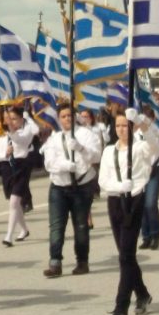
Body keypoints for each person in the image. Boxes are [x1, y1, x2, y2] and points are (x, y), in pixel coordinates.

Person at [98, 109, 159, 315]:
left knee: (126, 256)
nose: (121, 130)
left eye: (125, 125)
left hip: (133, 201)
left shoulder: (141, 148)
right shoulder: (108, 151)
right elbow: (103, 180)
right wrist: (117, 186)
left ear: (132, 127)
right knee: (125, 255)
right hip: (115, 200)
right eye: (118, 126)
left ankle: (121, 308)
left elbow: (155, 144)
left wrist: (142, 122)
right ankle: (142, 293)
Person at [42, 103, 102, 278]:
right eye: (63, 116)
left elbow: (97, 155)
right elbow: (49, 163)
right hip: (59, 186)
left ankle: (82, 261)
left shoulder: (86, 134)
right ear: (59, 119)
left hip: (82, 185)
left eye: (69, 115)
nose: (67, 119)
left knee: (81, 225)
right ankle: (55, 262)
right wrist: (65, 165)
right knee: (56, 226)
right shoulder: (54, 137)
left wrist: (81, 149)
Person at [0, 106, 39, 246]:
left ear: (21, 120)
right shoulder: (3, 135)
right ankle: (24, 229)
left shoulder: (26, 132)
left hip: (21, 166)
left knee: (14, 201)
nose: (11, 122)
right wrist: (6, 153)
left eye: (14, 119)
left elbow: (21, 141)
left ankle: (8, 236)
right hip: (7, 167)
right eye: (9, 119)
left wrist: (13, 131)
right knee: (14, 202)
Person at [138, 107, 159, 250]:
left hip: (155, 170)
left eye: (148, 118)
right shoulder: (136, 134)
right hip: (140, 171)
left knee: (150, 203)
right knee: (141, 205)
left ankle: (156, 234)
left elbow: (156, 140)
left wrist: (149, 125)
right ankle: (146, 236)